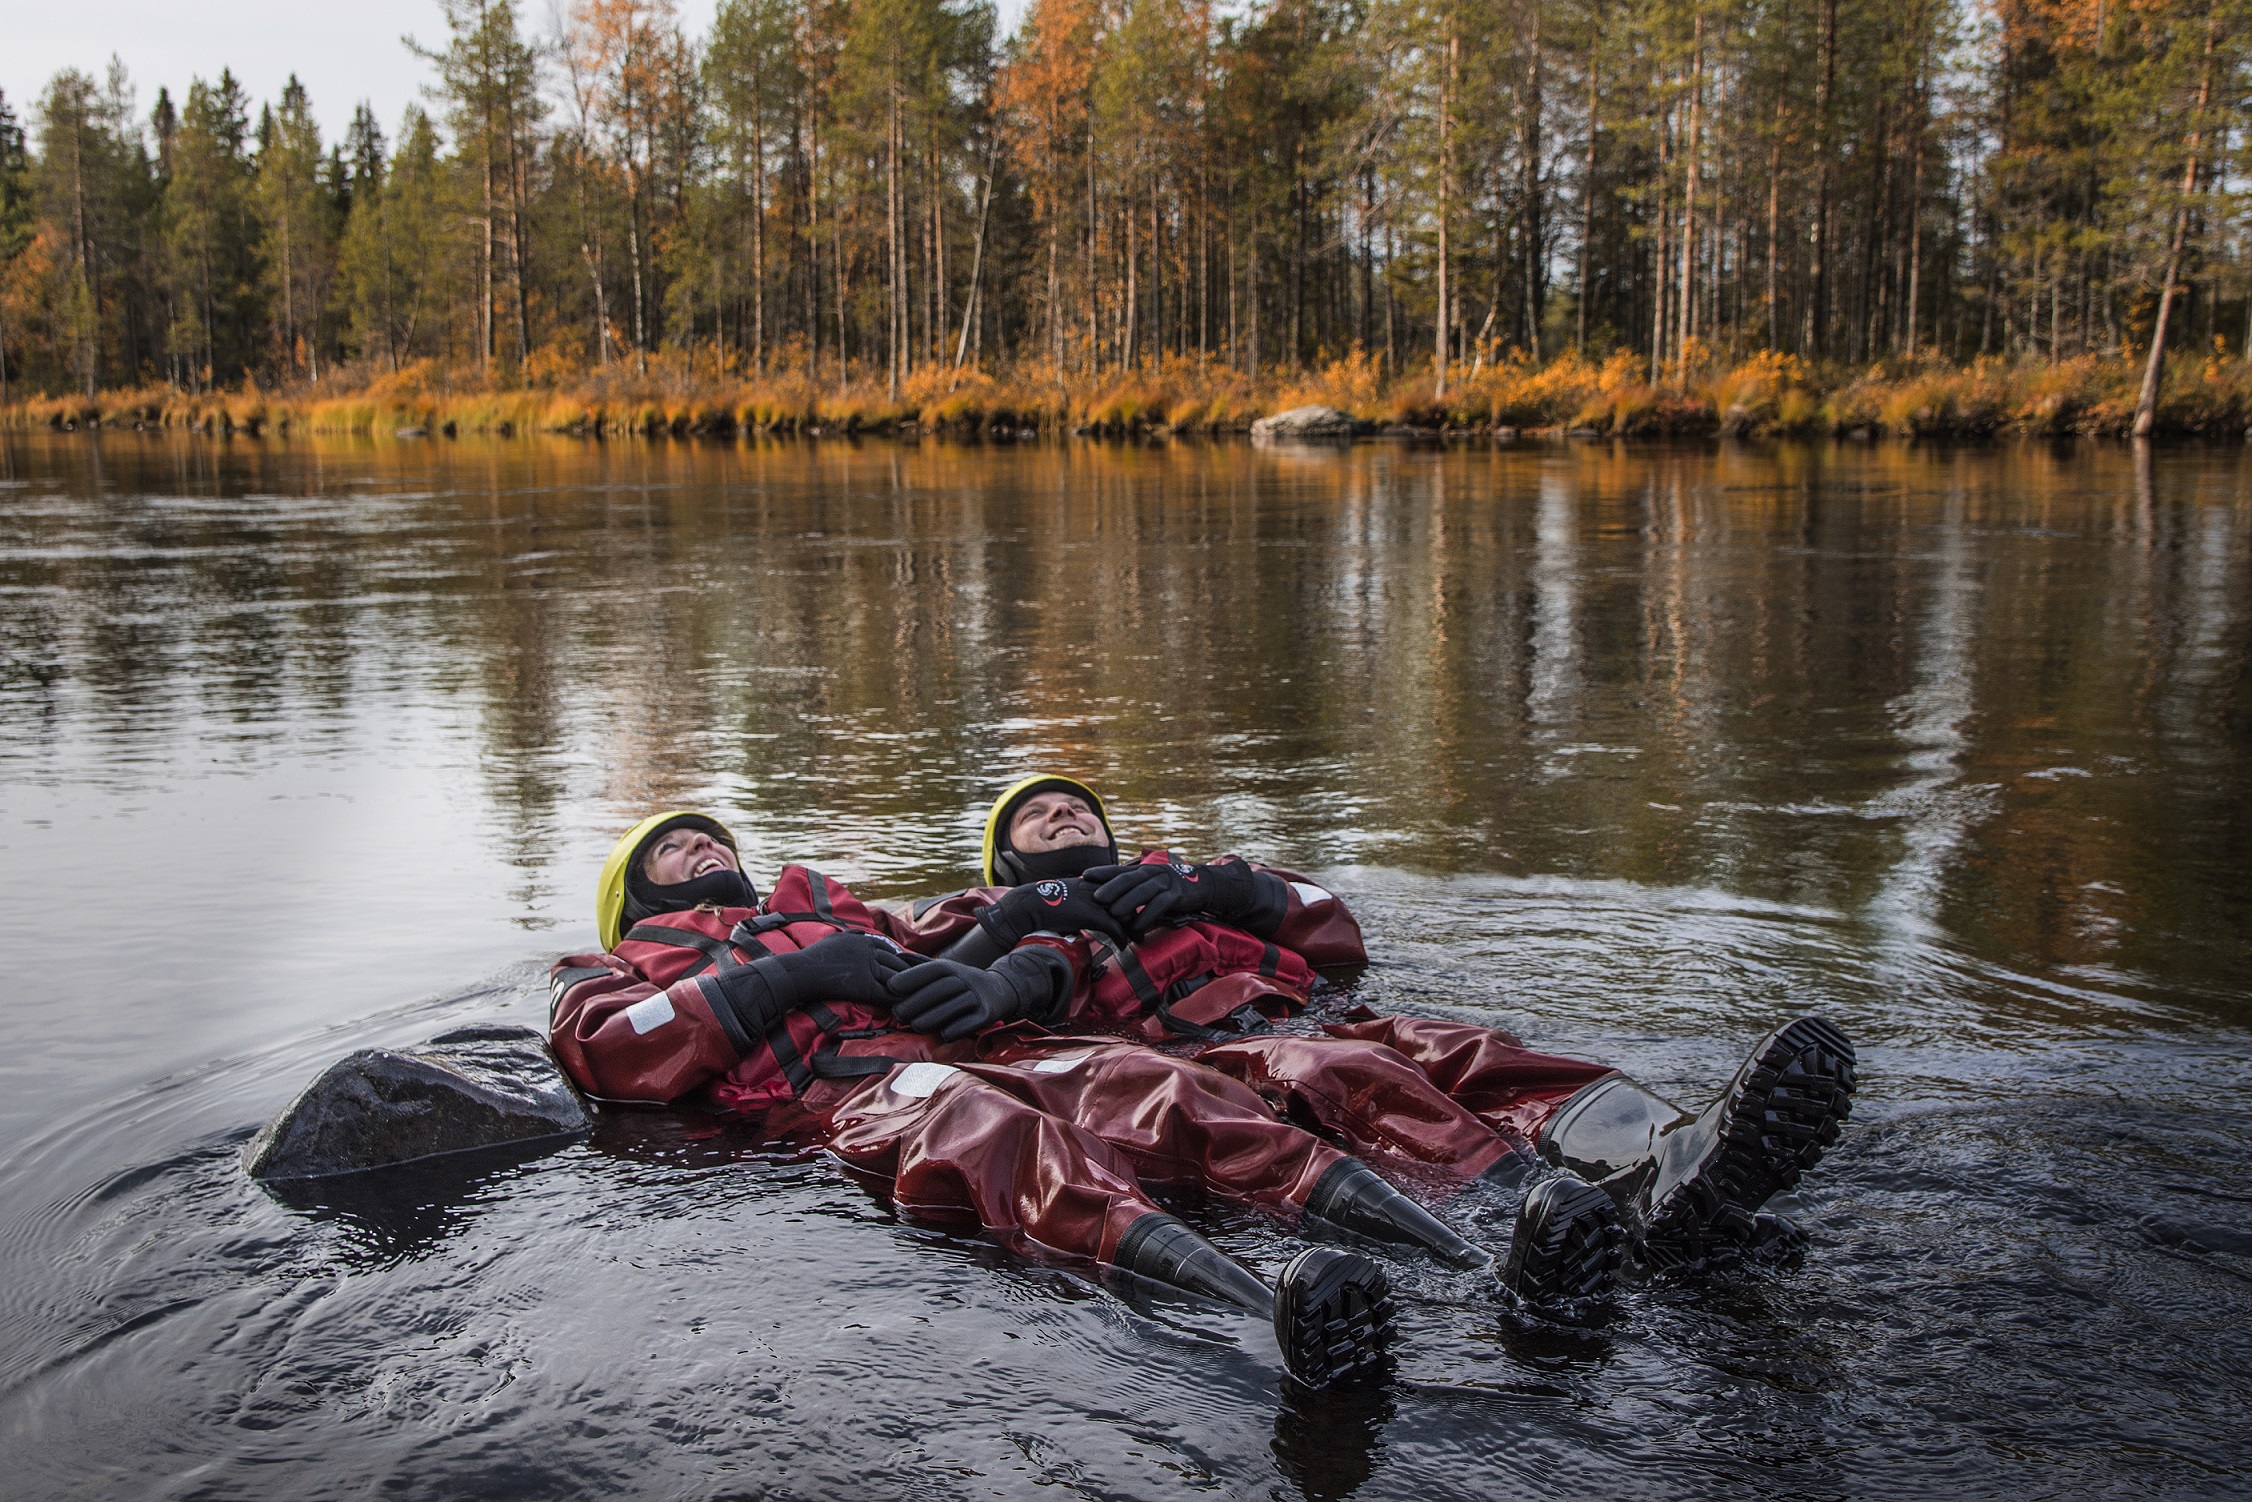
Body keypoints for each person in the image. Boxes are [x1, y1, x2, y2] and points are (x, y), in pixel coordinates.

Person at [911, 775, 1860, 1301]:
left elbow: (1333, 929)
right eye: (1037, 813)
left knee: (1469, 1049)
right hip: (1201, 1050)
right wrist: (1015, 929)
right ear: (1004, 855)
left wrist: (1217, 886)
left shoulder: (1178, 877)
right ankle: (1552, 1215)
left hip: (1309, 1007)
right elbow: (917, 982)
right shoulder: (979, 909)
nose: (1065, 812)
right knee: (1348, 1069)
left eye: (1079, 805)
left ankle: (1667, 1154)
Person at [550, 810, 1414, 1386]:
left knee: (1155, 1082)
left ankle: (1460, 1255)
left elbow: (966, 926)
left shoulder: (840, 913)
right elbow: (608, 1049)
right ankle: (1272, 1315)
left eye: (716, 840)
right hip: (846, 1098)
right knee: (985, 1127)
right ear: (633, 894)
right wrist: (796, 973)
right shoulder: (612, 971)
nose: (707, 849)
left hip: (980, 1050)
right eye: (676, 846)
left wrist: (1024, 941)